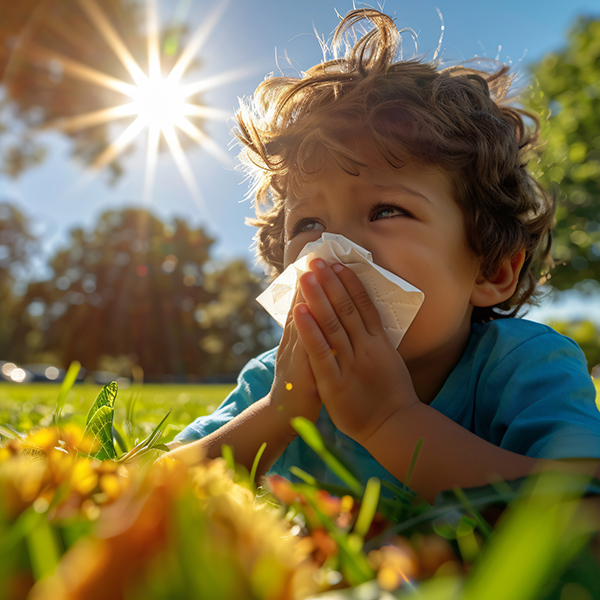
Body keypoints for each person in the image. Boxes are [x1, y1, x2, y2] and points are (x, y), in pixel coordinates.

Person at [168, 8, 600, 503]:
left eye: (386, 210)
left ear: (491, 268)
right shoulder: (276, 379)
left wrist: (390, 422)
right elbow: (141, 489)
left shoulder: (526, 366)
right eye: (307, 224)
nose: (336, 250)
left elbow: (584, 514)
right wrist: (276, 412)